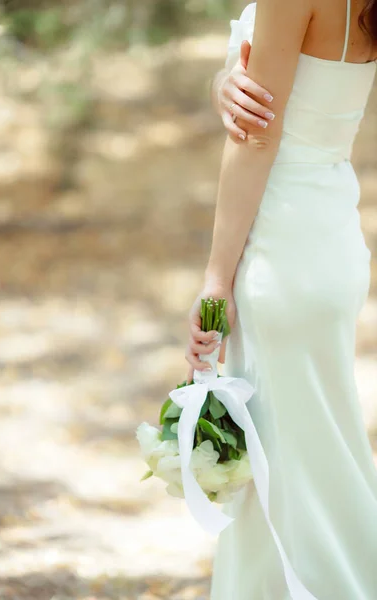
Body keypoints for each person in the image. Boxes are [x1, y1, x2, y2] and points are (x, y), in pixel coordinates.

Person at [184, 0, 377, 598]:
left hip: (278, 250)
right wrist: (225, 82)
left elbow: (256, 138)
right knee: (317, 456)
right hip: (334, 239)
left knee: (285, 475)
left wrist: (216, 282)